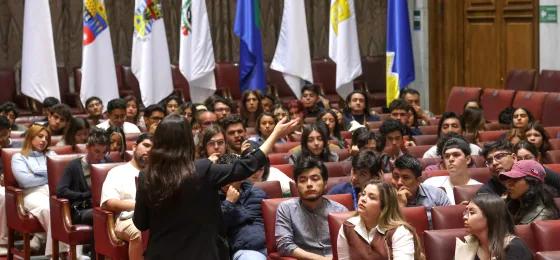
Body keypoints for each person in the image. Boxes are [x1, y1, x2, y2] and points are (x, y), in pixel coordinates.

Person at [132, 114, 299, 259]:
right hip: (203, 254)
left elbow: (141, 223)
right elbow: (247, 165)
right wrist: (275, 134)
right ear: (188, 142)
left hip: (161, 254)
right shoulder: (202, 169)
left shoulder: (146, 175)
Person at [275, 158, 348, 259]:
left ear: (325, 183)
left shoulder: (340, 211)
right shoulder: (286, 209)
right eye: (303, 180)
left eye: (315, 179)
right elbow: (284, 245)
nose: (309, 184)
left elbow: (349, 244)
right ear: (296, 185)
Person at [11, 124, 64, 256]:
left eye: (46, 138)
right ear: (30, 137)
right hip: (32, 193)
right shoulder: (19, 157)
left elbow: (60, 176)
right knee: (49, 209)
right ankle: (57, 254)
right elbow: (25, 181)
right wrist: (49, 175)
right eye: (40, 136)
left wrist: (38, 174)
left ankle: (58, 251)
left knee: (66, 207)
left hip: (53, 191)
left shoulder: (52, 154)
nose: (44, 140)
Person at [337, 181, 423, 260]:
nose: (363, 199)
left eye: (372, 197)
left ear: (384, 206)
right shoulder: (348, 226)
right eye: (363, 194)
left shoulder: (400, 232)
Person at [101, 133, 153, 260]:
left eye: (153, 149)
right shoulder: (117, 172)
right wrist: (138, 205)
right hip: (126, 219)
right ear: (134, 147)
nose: (149, 151)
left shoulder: (158, 173)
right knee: (138, 231)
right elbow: (108, 202)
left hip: (154, 216)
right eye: (146, 145)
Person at [216, 155, 267, 260]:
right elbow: (218, 229)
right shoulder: (213, 200)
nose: (227, 182)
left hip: (269, 247)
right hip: (246, 250)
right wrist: (229, 202)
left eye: (232, 177)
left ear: (242, 176)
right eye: (223, 177)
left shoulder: (257, 194)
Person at [455, 193, 532, 260]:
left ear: (491, 217)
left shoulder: (514, 248)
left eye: (472, 212)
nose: (464, 217)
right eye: (466, 212)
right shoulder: (468, 245)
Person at [57, 128, 109, 226]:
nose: (100, 157)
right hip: (82, 209)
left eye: (104, 152)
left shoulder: (108, 162)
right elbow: (61, 191)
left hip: (104, 207)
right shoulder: (74, 166)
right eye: (97, 151)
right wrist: (85, 195)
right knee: (101, 215)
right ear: (87, 147)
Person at [392, 155, 450, 226]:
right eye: (396, 177)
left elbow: (449, 224)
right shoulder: (384, 198)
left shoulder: (437, 195)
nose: (399, 182)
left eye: (406, 177)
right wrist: (400, 206)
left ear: (418, 180)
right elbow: (386, 230)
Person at [423, 137, 481, 204]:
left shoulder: (479, 189)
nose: (450, 159)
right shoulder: (430, 184)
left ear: (467, 159)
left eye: (456, 155)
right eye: (447, 156)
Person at [500, 160, 559, 224]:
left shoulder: (540, 218)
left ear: (532, 183)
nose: (508, 185)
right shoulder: (515, 203)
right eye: (509, 179)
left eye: (515, 180)